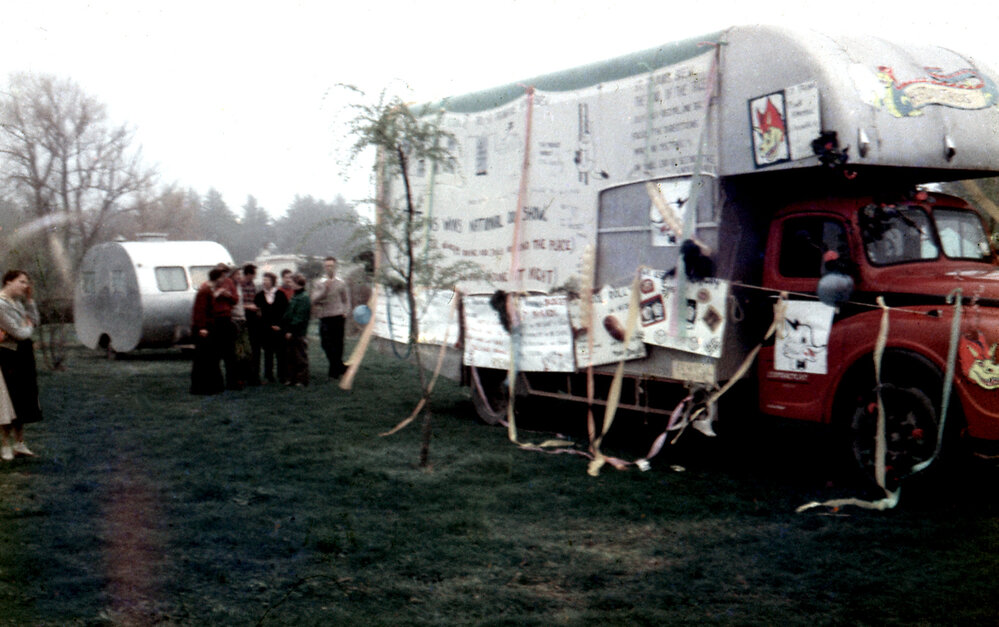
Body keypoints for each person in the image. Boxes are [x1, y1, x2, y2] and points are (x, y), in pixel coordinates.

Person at [0, 270, 43, 460]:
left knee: (23, 400)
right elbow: (20, 333)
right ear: (8, 282)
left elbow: (36, 321)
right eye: (21, 281)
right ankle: (5, 445)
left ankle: (20, 443)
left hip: (23, 354)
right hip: (8, 355)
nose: (25, 285)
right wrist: (28, 326)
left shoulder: (17, 302)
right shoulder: (0, 304)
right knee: (8, 401)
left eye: (27, 282)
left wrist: (30, 301)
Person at [311, 256, 351, 380]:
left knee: (338, 344)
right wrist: (325, 289)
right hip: (325, 316)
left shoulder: (341, 282)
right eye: (327, 266)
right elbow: (314, 299)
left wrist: (345, 312)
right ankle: (340, 367)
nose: (329, 268)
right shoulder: (319, 283)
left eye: (331, 266)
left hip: (338, 316)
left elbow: (346, 300)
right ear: (324, 267)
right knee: (325, 343)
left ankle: (333, 371)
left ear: (335, 267)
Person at [190, 266, 226, 395]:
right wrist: (202, 328)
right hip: (204, 329)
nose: (224, 280)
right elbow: (200, 311)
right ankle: (203, 387)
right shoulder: (205, 291)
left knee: (209, 358)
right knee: (205, 358)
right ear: (217, 278)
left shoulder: (208, 290)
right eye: (222, 277)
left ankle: (209, 386)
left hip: (208, 327)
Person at [254, 272, 288, 383]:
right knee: (268, 353)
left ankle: (282, 375)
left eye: (267, 280)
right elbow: (258, 314)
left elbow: (285, 312)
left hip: (278, 328)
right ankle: (269, 375)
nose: (265, 282)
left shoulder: (280, 295)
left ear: (272, 281)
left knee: (281, 353)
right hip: (265, 329)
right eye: (263, 280)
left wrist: (279, 326)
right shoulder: (259, 296)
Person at [211, 264, 241, 390]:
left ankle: (232, 382)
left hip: (227, 318)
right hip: (215, 320)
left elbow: (236, 299)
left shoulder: (229, 282)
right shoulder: (210, 284)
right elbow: (207, 300)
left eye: (225, 273)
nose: (224, 275)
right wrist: (217, 294)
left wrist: (229, 296)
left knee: (230, 353)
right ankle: (217, 383)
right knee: (215, 354)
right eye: (222, 273)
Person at [281, 273, 311, 387]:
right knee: (290, 356)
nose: (290, 284)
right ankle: (292, 379)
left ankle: (302, 380)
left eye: (292, 282)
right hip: (290, 330)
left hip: (298, 332)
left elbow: (299, 317)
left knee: (300, 356)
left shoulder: (304, 297)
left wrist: (291, 330)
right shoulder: (295, 296)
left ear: (298, 283)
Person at [238, 263, 262, 386]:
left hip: (253, 317)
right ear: (249, 274)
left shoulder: (253, 285)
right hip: (244, 317)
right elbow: (237, 304)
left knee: (254, 347)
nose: (255, 276)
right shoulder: (240, 285)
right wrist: (249, 306)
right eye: (254, 273)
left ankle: (254, 376)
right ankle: (244, 375)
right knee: (244, 348)